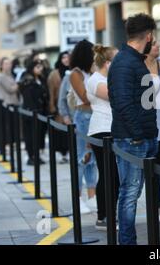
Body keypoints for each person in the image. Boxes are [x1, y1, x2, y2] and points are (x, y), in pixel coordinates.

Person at [108, 13, 158, 245]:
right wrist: (138, 135)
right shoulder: (125, 62)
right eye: (153, 37)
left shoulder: (132, 60)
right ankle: (127, 243)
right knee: (129, 194)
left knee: (133, 193)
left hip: (140, 137)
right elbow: (122, 102)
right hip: (132, 139)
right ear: (148, 36)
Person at [87, 45, 120, 230]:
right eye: (116, 60)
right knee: (108, 174)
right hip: (101, 130)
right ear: (107, 63)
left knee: (113, 175)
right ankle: (103, 217)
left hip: (112, 129)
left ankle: (109, 215)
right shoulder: (95, 80)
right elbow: (113, 96)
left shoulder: (107, 78)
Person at [69, 40, 98, 215]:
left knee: (92, 159)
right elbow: (85, 96)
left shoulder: (90, 72)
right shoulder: (76, 74)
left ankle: (92, 196)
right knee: (82, 158)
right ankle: (77, 199)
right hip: (83, 117)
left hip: (94, 116)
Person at [143, 35, 160, 221]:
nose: (157, 46)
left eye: (158, 43)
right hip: (146, 124)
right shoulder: (139, 66)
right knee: (147, 172)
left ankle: (159, 208)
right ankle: (153, 208)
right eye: (153, 44)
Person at [18, 60, 48, 166]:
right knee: (30, 136)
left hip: (40, 112)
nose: (40, 69)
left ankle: (37, 155)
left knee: (39, 135)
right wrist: (34, 110)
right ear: (32, 68)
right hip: (31, 112)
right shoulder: (27, 80)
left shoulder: (40, 79)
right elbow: (28, 97)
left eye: (41, 67)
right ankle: (31, 156)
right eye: (38, 67)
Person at [47, 52, 71, 164]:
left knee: (70, 131)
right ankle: (63, 154)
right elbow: (51, 92)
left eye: (68, 57)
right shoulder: (54, 74)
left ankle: (70, 152)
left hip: (72, 106)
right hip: (59, 105)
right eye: (64, 57)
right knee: (60, 131)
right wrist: (52, 106)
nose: (66, 59)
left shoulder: (74, 71)